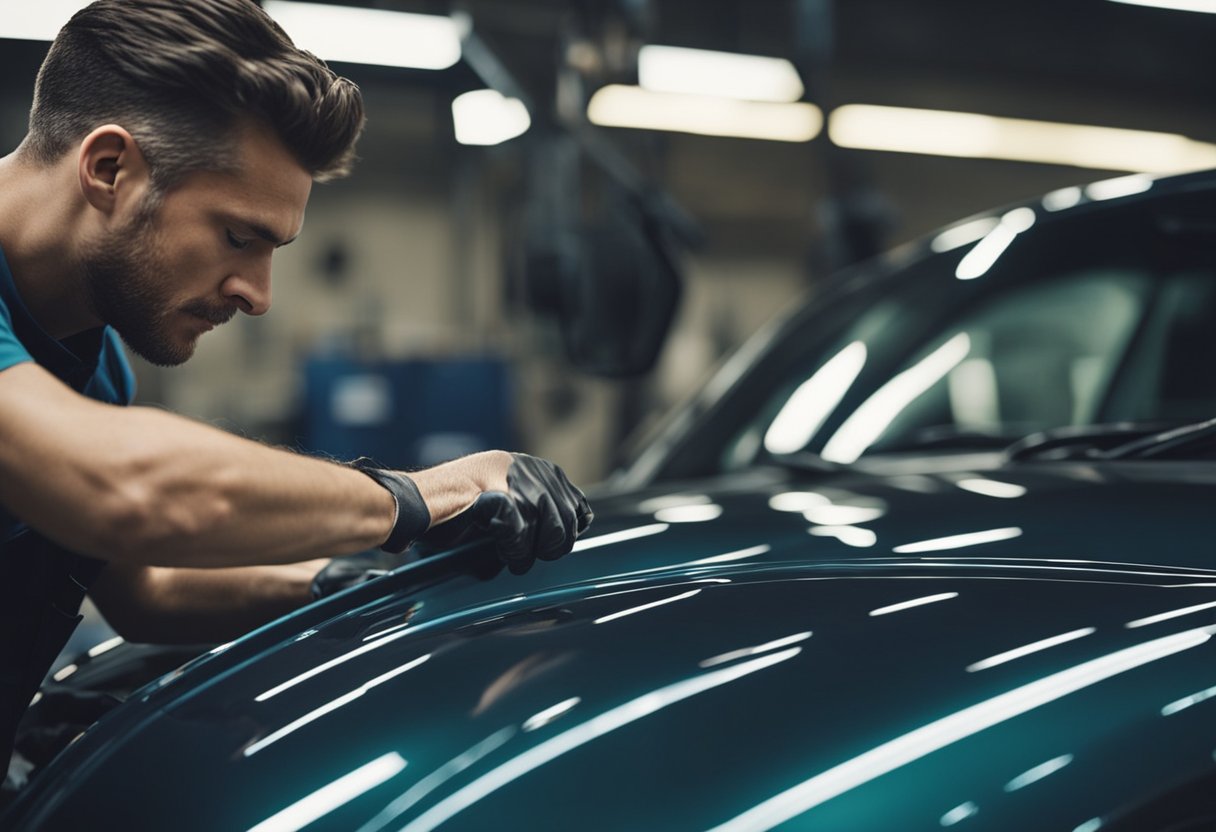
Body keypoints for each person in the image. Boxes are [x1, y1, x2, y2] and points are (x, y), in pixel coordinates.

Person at [0, 0, 592, 785]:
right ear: (109, 169)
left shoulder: (92, 357)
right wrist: (413, 498)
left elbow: (146, 585)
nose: (258, 294)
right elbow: (126, 490)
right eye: (239, 236)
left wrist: (340, 583)